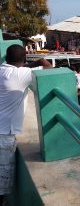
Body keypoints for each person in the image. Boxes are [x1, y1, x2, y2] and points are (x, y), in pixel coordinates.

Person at [0, 45, 52, 204]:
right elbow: (49, 69)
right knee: (2, 184)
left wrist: (25, 64)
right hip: (4, 135)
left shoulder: (3, 70)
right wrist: (40, 60)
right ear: (23, 59)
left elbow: (15, 69)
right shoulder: (21, 74)